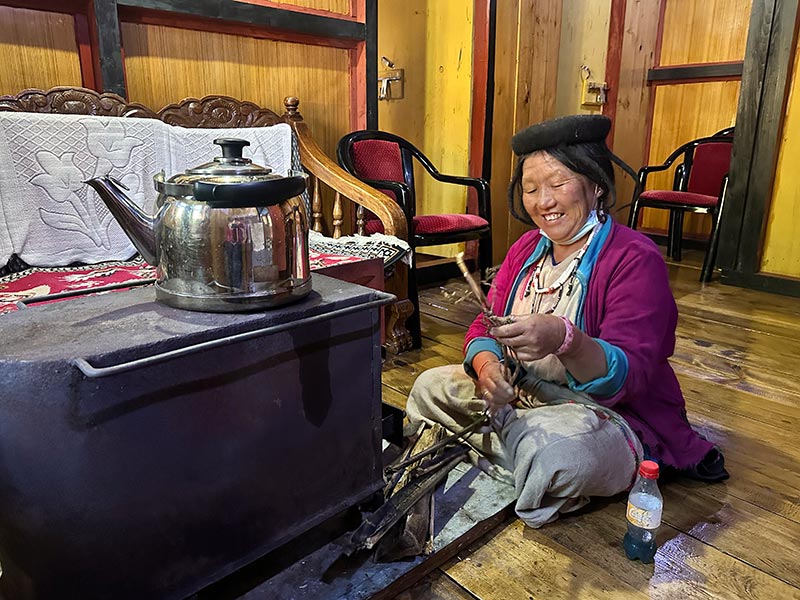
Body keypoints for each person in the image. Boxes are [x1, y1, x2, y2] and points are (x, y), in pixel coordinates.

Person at [406, 114, 728, 528]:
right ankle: (521, 459)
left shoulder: (634, 258)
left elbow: (626, 378)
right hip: (522, 395)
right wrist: (488, 371)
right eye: (530, 189)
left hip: (603, 413)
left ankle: (513, 456)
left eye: (558, 184)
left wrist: (565, 340)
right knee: (429, 388)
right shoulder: (526, 250)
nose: (544, 202)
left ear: (596, 184)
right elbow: (483, 328)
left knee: (560, 456)